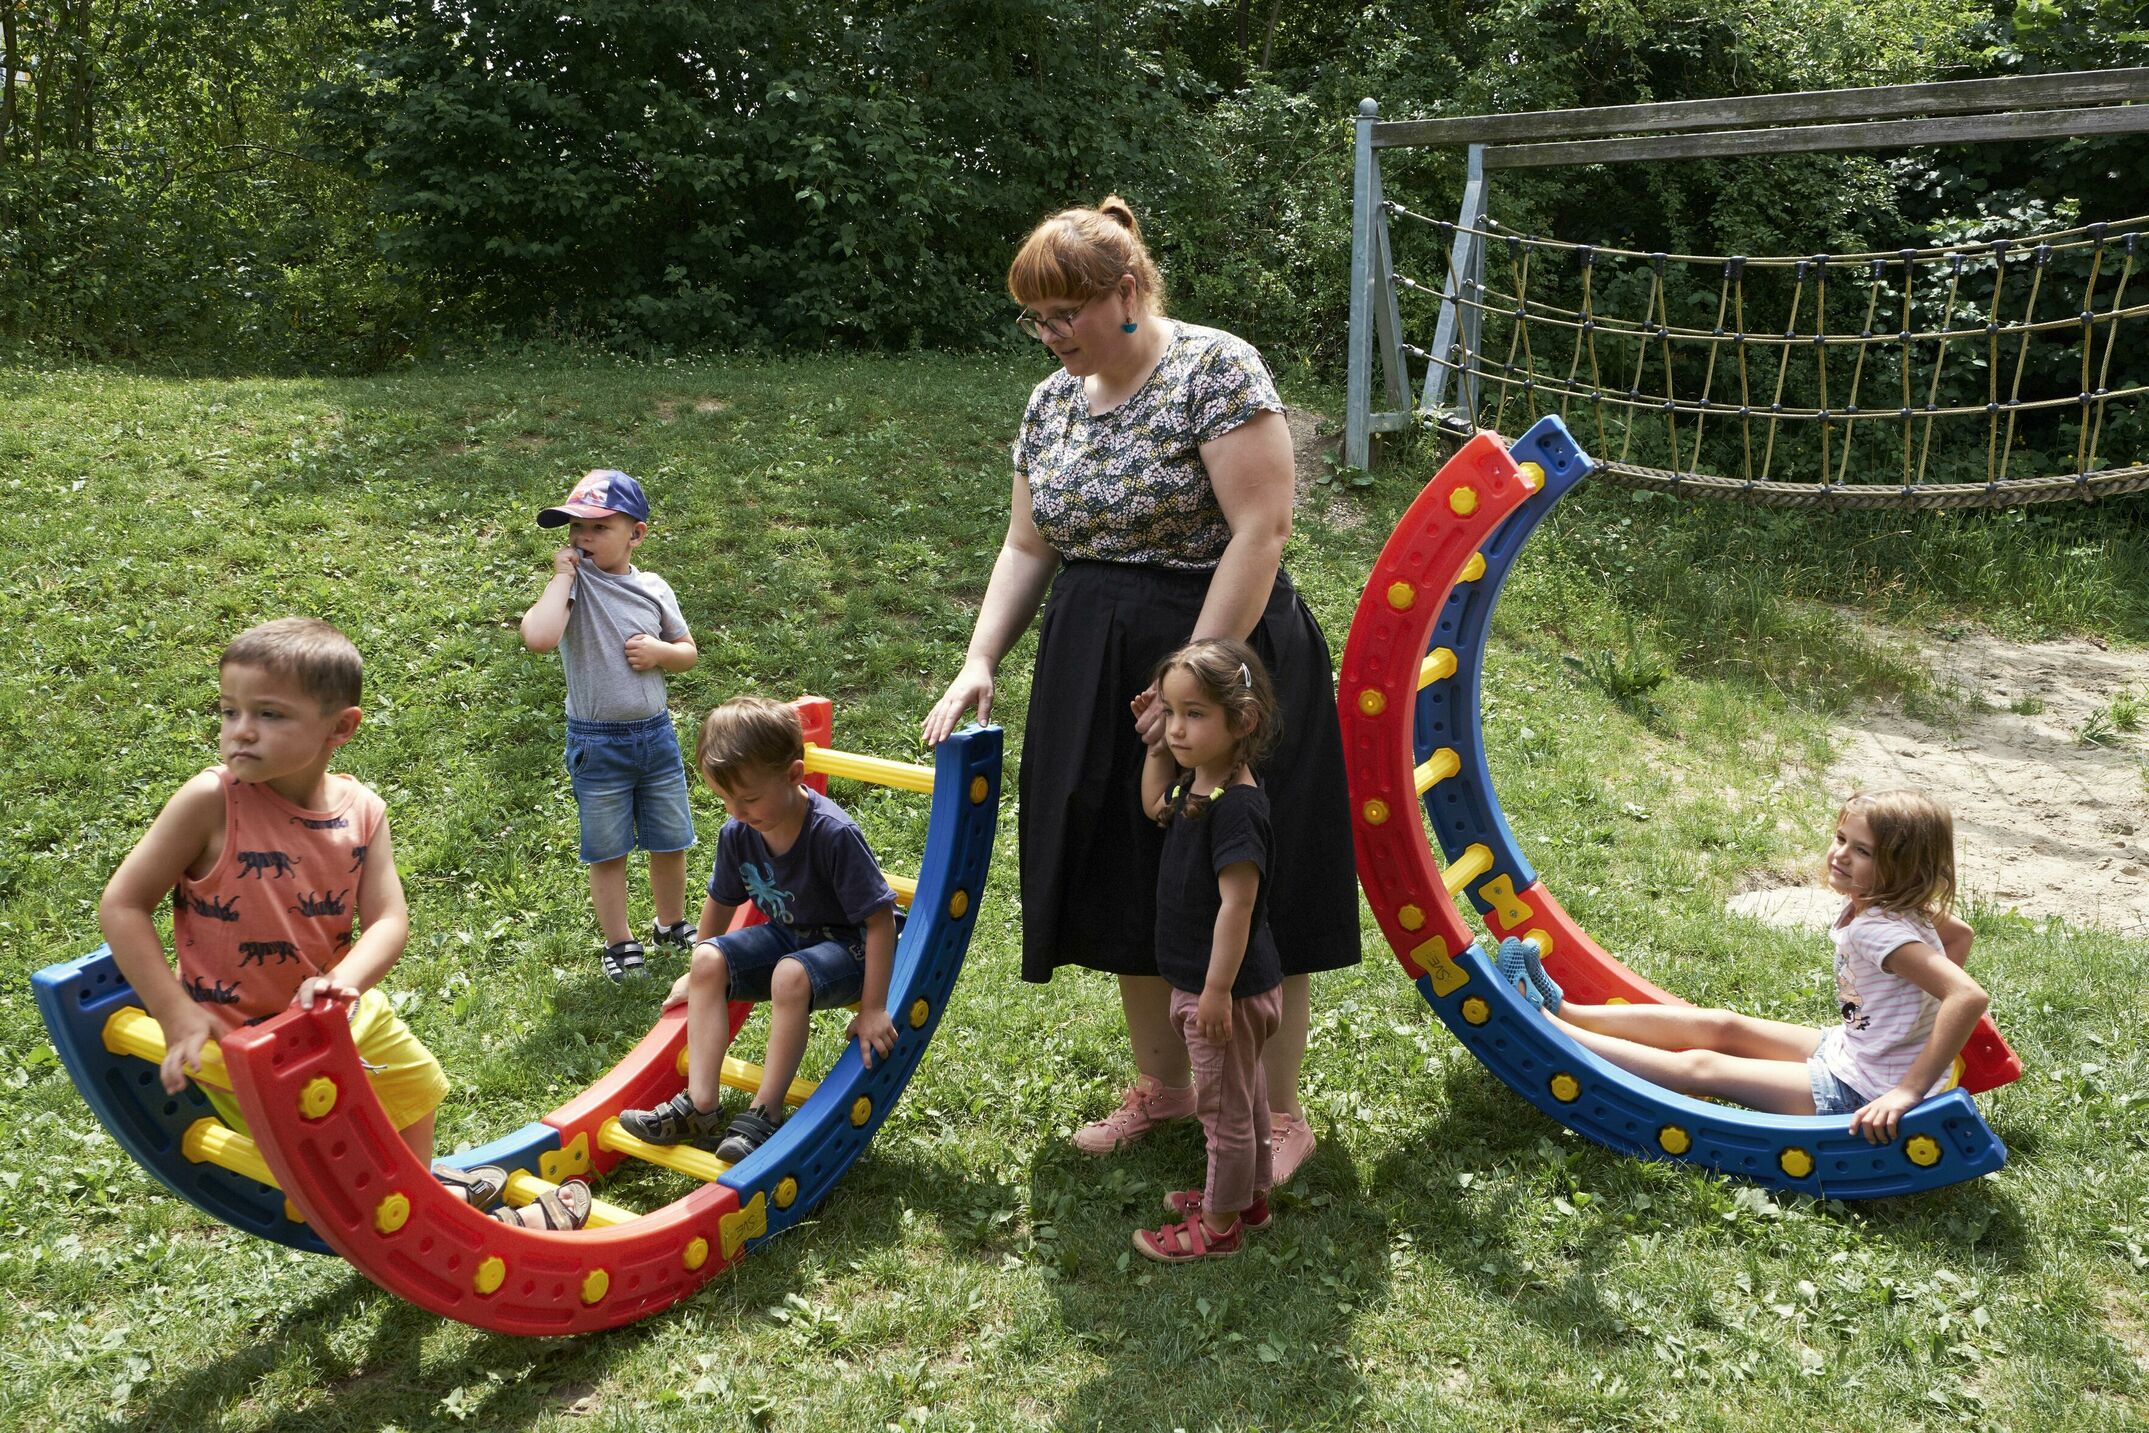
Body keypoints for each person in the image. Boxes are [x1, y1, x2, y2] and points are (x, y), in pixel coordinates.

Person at [920, 195, 1357, 1184]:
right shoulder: (1051, 401)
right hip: (1098, 654)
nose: (1049, 335)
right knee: (1127, 860)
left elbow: (1261, 527)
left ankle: (1276, 1114)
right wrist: (981, 654)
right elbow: (1027, 542)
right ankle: (1164, 1088)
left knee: (1245, 862)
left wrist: (1193, 686)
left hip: (1224, 649)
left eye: (1062, 313)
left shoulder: (1214, 366)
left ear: (1126, 291)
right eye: (1035, 318)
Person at [98, 618, 592, 1230]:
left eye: (271, 715)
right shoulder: (211, 802)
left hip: (340, 1014)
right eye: (229, 711)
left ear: (341, 728)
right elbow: (121, 905)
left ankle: (422, 1210)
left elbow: (387, 920)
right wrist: (175, 1013)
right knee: (329, 1150)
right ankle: (425, 1218)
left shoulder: (363, 811)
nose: (241, 731)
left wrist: (348, 979)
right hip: (247, 1039)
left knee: (416, 1087)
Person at [1506, 789, 1988, 1145]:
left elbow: (1966, 996)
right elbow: (1958, 935)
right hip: (1855, 1050)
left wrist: (1907, 1091)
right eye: (1841, 838)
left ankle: (1547, 1029)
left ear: (1903, 869)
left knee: (1703, 1067)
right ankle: (1567, 1011)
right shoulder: (1895, 907)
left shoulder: (1879, 930)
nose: (1840, 855)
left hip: (1861, 1090)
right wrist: (1913, 1027)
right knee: (1722, 1025)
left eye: (1863, 851)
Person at [618, 697, 899, 1162]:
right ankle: (701, 1108)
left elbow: (880, 920)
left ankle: (765, 1113)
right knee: (708, 959)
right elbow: (722, 901)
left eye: (749, 798)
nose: (738, 810)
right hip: (790, 936)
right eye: (725, 799)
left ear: (793, 775)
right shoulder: (739, 832)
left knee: (789, 974)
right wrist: (697, 970)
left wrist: (873, 1008)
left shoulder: (832, 833)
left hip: (848, 948)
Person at [1130, 640, 1284, 1263]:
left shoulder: (1237, 810)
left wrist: (1217, 990)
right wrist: (1154, 749)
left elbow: (1237, 907)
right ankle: (1251, 1197)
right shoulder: (1204, 789)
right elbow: (1152, 805)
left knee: (1223, 1112)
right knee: (1243, 1095)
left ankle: (1219, 1225)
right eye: (1169, 713)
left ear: (1241, 721)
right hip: (1217, 985)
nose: (1176, 728)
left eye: (1193, 714)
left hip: (1225, 989)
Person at [520, 469, 701, 982]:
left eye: (598, 527)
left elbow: (688, 653)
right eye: (575, 527)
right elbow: (537, 637)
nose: (582, 537)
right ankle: (620, 941)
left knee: (671, 839)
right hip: (597, 744)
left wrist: (662, 653)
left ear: (636, 534)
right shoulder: (577, 587)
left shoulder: (653, 587)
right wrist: (561, 578)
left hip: (656, 735)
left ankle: (670, 923)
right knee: (608, 848)